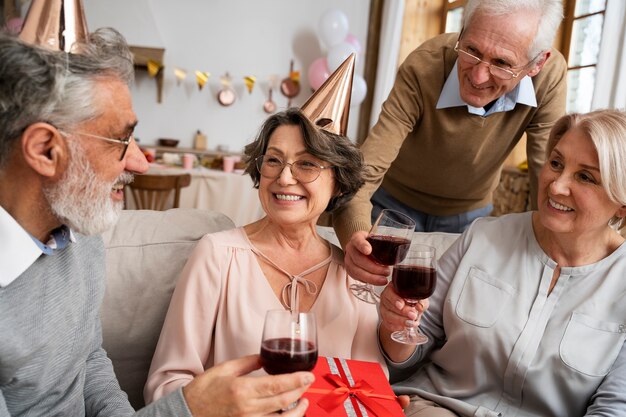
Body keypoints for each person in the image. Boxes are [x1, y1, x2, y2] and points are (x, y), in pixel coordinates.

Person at [0, 30, 313, 417]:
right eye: (120, 140)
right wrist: (190, 410)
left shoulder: (80, 235)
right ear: (46, 150)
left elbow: (89, 360)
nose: (140, 163)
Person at [378, 109, 626, 416]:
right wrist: (393, 326)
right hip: (435, 408)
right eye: (556, 163)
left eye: (585, 176)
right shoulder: (484, 236)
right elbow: (405, 356)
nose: (556, 185)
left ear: (622, 206)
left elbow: (614, 408)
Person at [143, 106, 388, 402]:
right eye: (273, 160)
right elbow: (166, 382)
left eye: (307, 164)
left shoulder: (352, 274)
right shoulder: (218, 255)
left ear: (338, 182)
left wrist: (381, 404)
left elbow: (368, 385)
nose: (284, 178)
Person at [334, 0, 568, 285]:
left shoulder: (550, 77)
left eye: (502, 63)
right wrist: (356, 236)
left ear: (537, 63)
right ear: (461, 32)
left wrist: (548, 251)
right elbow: (363, 172)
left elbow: (547, 173)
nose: (478, 76)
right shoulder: (425, 66)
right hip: (392, 205)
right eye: (471, 50)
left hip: (469, 215)